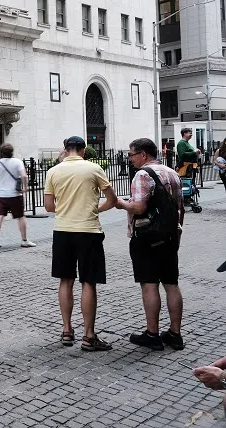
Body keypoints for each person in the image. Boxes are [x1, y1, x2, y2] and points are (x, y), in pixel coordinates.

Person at [44, 136, 118, 352]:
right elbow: (112, 200)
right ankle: (89, 335)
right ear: (83, 150)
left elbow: (49, 206)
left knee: (65, 280)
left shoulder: (53, 171)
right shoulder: (93, 169)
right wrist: (95, 209)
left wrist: (67, 209)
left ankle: (67, 331)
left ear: (65, 150)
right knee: (88, 281)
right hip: (88, 231)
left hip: (63, 231)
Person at [115, 138, 185, 351]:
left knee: (150, 284)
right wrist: (176, 232)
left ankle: (152, 333)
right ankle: (175, 334)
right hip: (170, 235)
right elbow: (180, 208)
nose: (130, 158)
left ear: (143, 154)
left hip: (147, 237)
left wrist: (119, 203)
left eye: (131, 154)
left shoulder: (143, 175)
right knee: (171, 283)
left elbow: (138, 208)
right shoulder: (172, 173)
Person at [0, 143, 36, 249]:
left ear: (1, 152)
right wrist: (25, 187)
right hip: (14, 194)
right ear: (12, 152)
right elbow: (23, 175)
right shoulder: (17, 162)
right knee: (20, 216)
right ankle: (24, 240)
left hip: (0, 194)